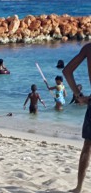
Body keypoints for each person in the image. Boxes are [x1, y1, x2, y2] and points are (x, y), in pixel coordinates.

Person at [62, 43, 91, 193]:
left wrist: (79, 96)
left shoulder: (88, 48)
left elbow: (67, 71)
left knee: (87, 147)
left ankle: (79, 187)